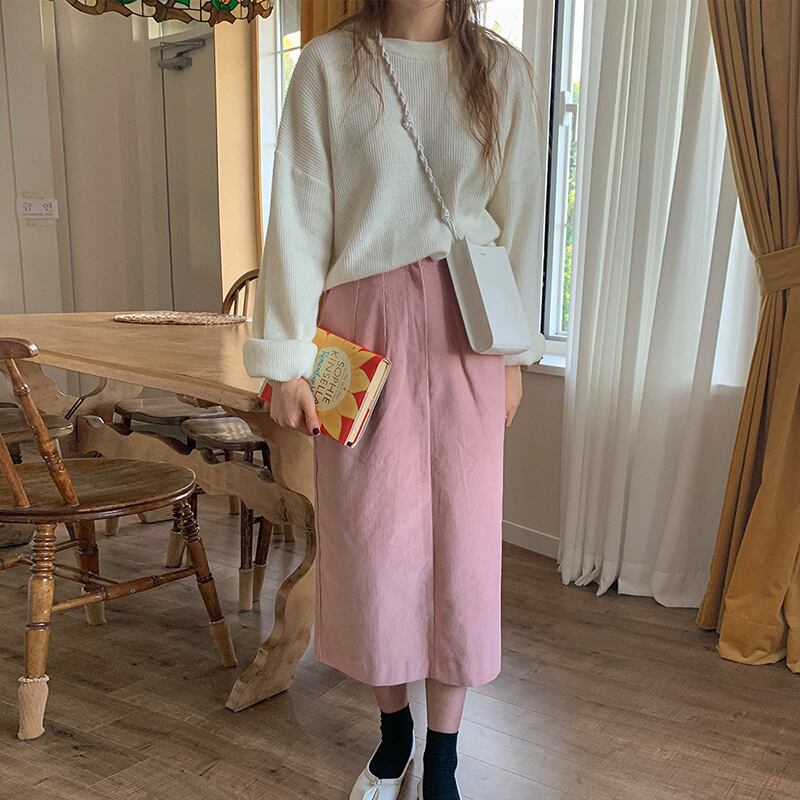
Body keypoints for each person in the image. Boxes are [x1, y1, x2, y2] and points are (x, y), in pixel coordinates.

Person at [243, 1, 541, 797]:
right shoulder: (329, 65)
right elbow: (298, 218)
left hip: (470, 329)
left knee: (462, 548)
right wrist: (285, 360)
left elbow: (518, 218)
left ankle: (442, 756)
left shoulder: (502, 71)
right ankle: (393, 733)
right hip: (359, 330)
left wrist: (514, 356)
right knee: (372, 540)